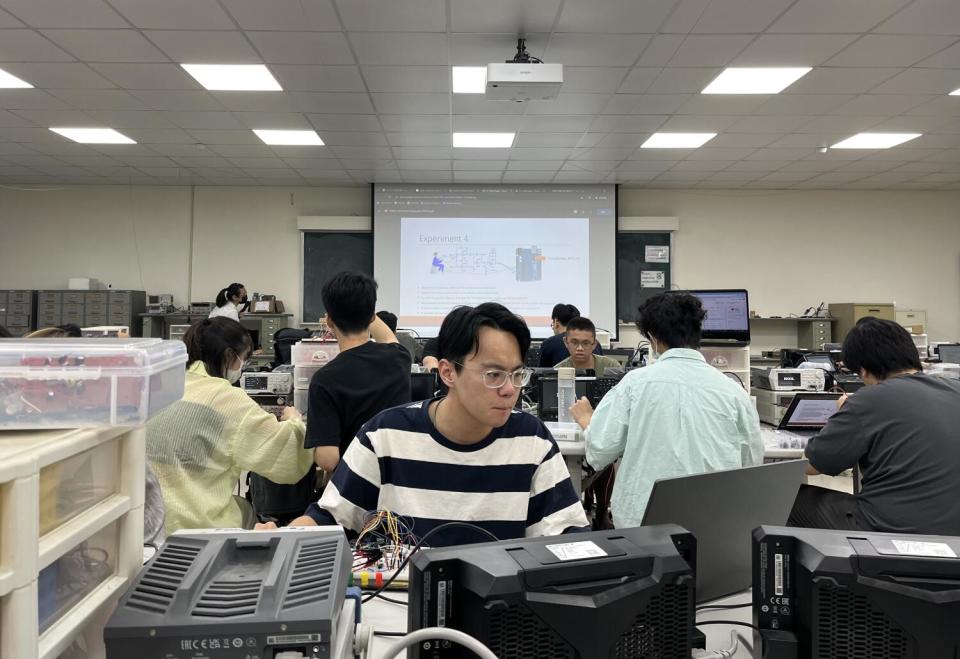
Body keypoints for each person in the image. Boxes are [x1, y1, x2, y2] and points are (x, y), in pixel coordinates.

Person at [260, 302, 589, 547]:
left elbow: (567, 536)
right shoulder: (385, 436)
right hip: (403, 615)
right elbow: (331, 518)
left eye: (517, 374)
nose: (509, 389)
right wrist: (283, 539)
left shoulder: (531, 441)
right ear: (448, 373)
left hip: (500, 620)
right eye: (493, 375)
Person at [570, 292, 763, 528]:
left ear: (653, 338)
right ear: (697, 333)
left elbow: (600, 451)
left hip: (643, 522)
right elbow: (752, 463)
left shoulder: (635, 384)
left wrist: (588, 420)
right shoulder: (734, 392)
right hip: (713, 524)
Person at [792, 317, 960, 535]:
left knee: (789, 499)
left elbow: (813, 465)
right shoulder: (954, 389)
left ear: (863, 370)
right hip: (953, 534)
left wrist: (845, 411)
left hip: (893, 530)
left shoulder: (867, 401)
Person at [145, 317, 313, 534]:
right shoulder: (228, 399)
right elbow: (286, 458)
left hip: (148, 524)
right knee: (251, 514)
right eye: (244, 359)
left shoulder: (163, 387)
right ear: (228, 355)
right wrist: (295, 421)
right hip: (198, 527)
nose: (243, 367)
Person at [306, 272, 411, 474]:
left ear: (328, 321)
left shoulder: (325, 379)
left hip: (355, 490)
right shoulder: (398, 358)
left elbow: (328, 460)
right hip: (396, 481)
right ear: (372, 316)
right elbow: (387, 336)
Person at [554, 317, 622, 376]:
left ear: (594, 344)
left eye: (585, 343)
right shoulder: (557, 371)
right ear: (566, 342)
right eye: (574, 342)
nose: (579, 348)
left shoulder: (611, 366)